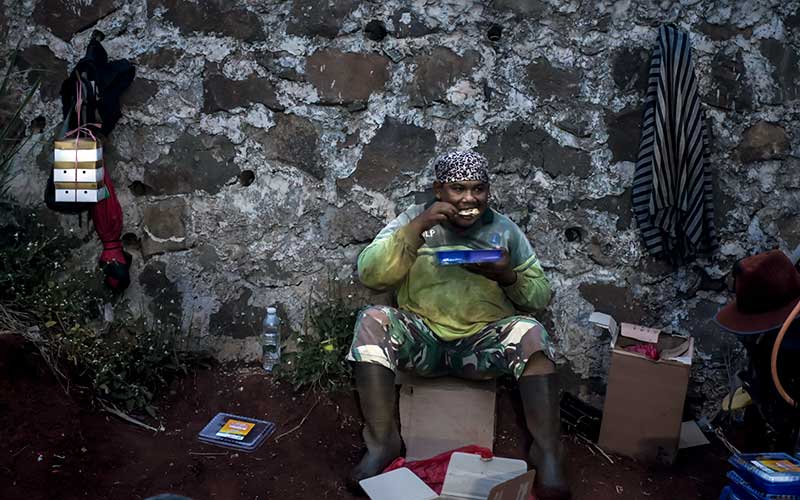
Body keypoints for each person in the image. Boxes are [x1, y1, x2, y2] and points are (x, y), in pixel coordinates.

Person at [346, 150, 570, 499]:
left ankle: (547, 452)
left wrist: (506, 274)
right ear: (439, 190)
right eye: (458, 189)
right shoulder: (413, 220)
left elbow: (540, 296)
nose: (469, 199)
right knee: (372, 321)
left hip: (480, 348)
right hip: (423, 342)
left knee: (532, 333)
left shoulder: (503, 229)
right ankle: (382, 444)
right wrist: (418, 227)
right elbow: (371, 275)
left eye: (478, 189)